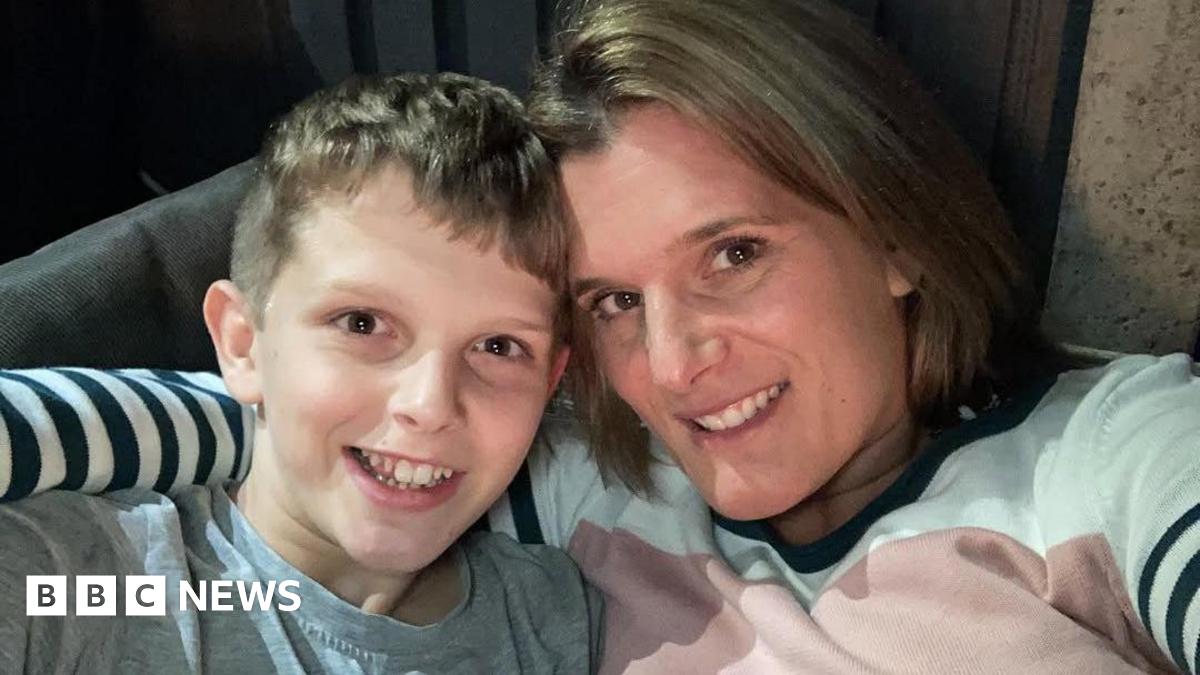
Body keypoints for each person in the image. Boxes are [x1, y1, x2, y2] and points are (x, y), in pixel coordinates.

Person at [1, 0, 1196, 673]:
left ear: (895, 232)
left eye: (734, 254)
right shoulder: (588, 483)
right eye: (615, 301)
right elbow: (300, 469)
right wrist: (266, 405)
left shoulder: (1113, 457)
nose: (674, 366)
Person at [0, 72, 602, 673]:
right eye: (362, 323)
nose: (430, 403)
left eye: (497, 346)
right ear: (243, 345)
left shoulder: (562, 622)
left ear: (550, 384)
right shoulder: (76, 586)